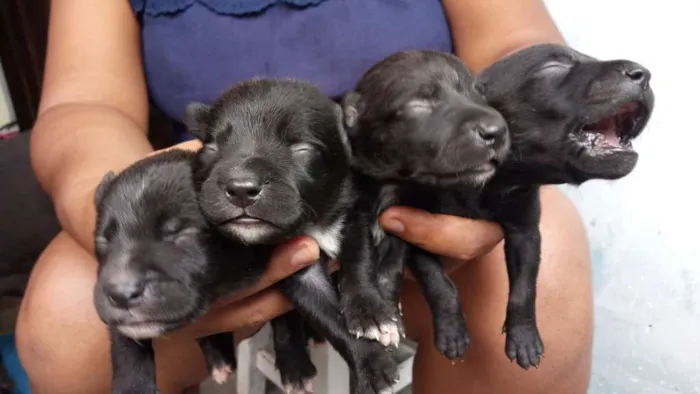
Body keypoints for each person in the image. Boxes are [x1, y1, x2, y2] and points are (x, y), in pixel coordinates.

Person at [16, 0, 593, 393]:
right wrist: (132, 208)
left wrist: (492, 164)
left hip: (415, 188)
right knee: (64, 322)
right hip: (201, 201)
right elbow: (85, 103)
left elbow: (517, 48)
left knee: (548, 272)